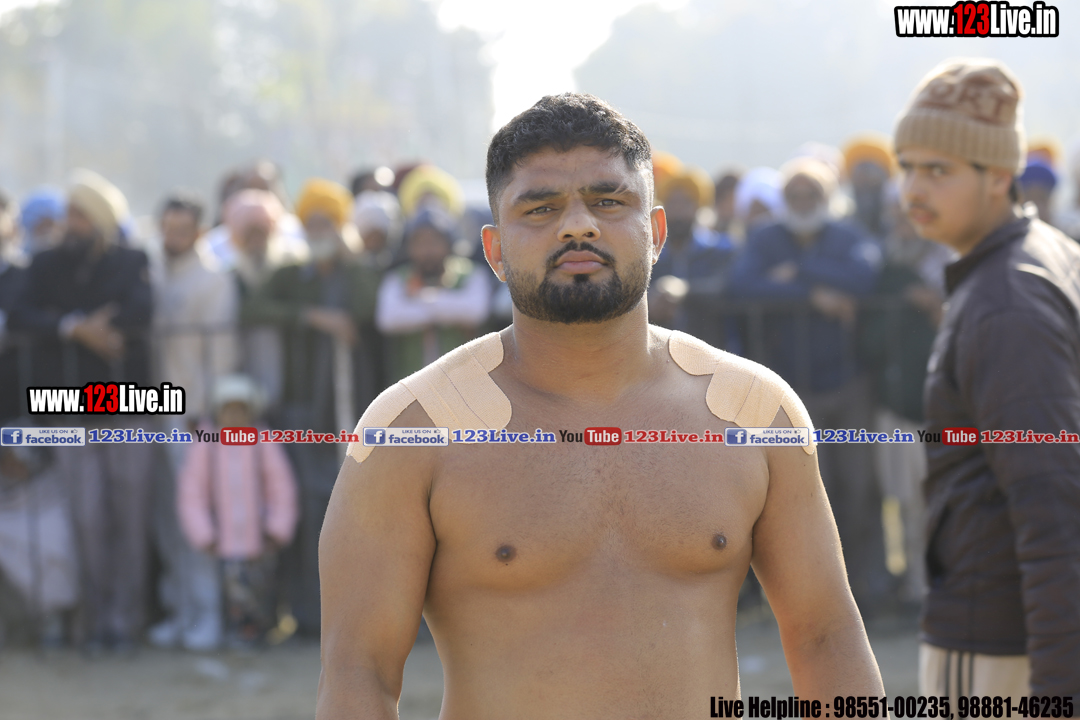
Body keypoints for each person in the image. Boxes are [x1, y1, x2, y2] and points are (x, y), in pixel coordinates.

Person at [317, 93, 884, 719]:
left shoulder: (752, 412)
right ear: (494, 250)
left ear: (657, 232)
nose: (577, 226)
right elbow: (359, 673)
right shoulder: (411, 429)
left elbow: (826, 637)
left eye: (609, 201)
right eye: (541, 208)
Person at [895, 57, 1080, 703]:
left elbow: (1052, 503)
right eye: (907, 167)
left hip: (1001, 641)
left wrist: (1058, 690)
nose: (913, 189)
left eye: (938, 170)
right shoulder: (1043, 255)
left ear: (999, 175)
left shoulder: (1006, 302)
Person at [727, 157, 888, 608]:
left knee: (858, 487)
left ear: (827, 197)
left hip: (849, 382)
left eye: (811, 194)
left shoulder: (848, 235)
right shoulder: (765, 238)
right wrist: (813, 295)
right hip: (790, 389)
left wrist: (798, 271)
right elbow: (741, 284)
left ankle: (867, 590)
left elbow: (864, 277)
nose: (802, 202)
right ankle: (812, 594)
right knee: (804, 494)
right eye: (793, 195)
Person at [10, 169, 156, 652]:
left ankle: (127, 621)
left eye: (80, 214)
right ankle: (93, 622)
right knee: (86, 517)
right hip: (68, 406)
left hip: (128, 403)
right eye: (68, 213)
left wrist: (101, 327)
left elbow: (139, 310)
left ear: (100, 218)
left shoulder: (131, 260)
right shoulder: (43, 264)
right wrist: (74, 328)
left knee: (130, 514)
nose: (70, 223)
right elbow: (21, 313)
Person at [244, 178, 379, 636]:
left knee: (356, 511)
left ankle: (359, 613)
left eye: (328, 223)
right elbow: (254, 307)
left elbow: (367, 305)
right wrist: (312, 317)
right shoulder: (290, 275)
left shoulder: (357, 272)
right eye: (312, 223)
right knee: (307, 509)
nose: (319, 231)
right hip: (303, 409)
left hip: (352, 411)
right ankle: (306, 614)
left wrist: (347, 259)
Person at [147, 192, 238, 651]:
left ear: (199, 231)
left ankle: (208, 615)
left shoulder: (214, 280)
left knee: (196, 518)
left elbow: (220, 358)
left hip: (191, 417)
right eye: (167, 228)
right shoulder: (152, 271)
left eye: (182, 229)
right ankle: (180, 612)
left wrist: (207, 415)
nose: (173, 237)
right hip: (151, 409)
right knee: (165, 518)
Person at [178, 374, 298, 649]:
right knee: (228, 589)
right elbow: (191, 493)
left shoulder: (263, 442)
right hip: (222, 539)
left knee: (261, 588)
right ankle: (233, 631)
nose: (234, 417)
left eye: (240, 410)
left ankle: (260, 631)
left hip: (259, 538)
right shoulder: (205, 445)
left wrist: (278, 528)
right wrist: (202, 533)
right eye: (228, 410)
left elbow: (282, 487)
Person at [375, 207, 491, 382]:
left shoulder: (472, 273)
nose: (427, 250)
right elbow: (388, 318)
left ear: (449, 243)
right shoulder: (397, 278)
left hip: (464, 381)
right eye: (419, 243)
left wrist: (422, 299)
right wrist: (449, 309)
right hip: (411, 382)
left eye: (434, 241)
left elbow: (475, 312)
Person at [648, 165, 735, 346]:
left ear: (698, 206)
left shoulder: (720, 249)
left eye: (686, 203)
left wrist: (684, 290)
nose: (678, 210)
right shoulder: (651, 254)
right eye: (672, 202)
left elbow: (728, 287)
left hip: (711, 346)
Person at [18, 188, 65, 256]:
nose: (47, 231)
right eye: (43, 226)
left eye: (50, 225)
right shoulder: (22, 258)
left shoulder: (67, 256)